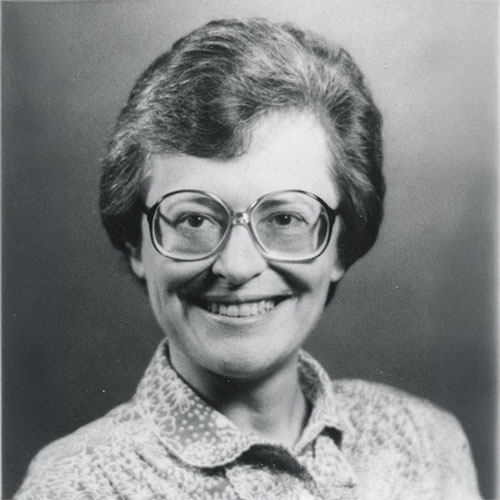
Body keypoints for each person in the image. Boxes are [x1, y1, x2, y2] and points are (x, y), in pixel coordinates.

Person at [15, 18, 481, 500]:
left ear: (341, 244)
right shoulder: (74, 487)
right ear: (137, 245)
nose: (237, 266)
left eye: (284, 219)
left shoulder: (427, 444)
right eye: (195, 220)